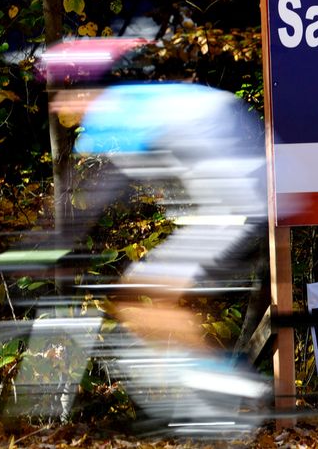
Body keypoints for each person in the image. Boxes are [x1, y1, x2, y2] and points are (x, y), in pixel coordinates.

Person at [38, 39, 272, 433]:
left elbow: (103, 194)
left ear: (81, 90)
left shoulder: (113, 114)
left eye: (59, 95)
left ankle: (232, 392)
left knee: (138, 298)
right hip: (241, 200)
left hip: (236, 208)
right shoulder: (137, 103)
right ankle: (216, 395)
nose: (56, 106)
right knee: (145, 297)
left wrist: (42, 250)